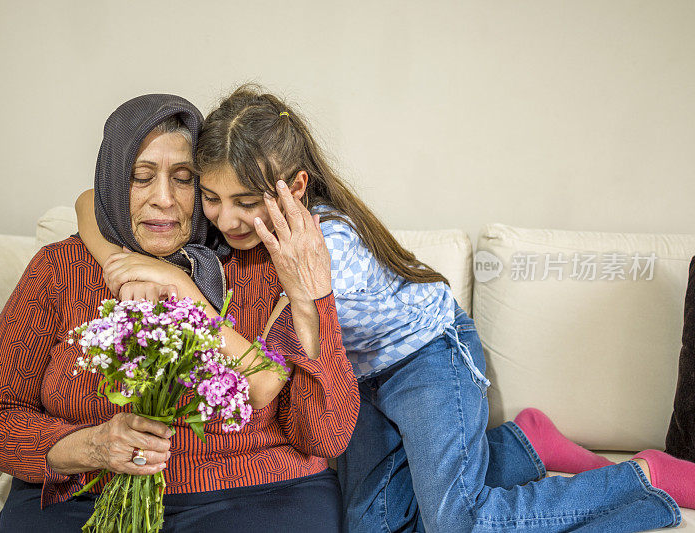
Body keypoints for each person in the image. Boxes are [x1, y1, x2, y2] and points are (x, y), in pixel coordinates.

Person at [81, 85, 695, 532]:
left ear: (295, 187)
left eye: (245, 201)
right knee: (370, 526)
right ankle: (522, 447)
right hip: (362, 384)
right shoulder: (227, 230)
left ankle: (642, 482)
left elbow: (278, 371)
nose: (224, 219)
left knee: (460, 524)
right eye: (211, 199)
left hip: (425, 359)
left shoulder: (330, 260)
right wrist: (127, 261)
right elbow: (88, 200)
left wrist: (192, 289)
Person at [0, 94, 359, 533]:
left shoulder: (258, 258)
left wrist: (312, 298)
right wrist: (93, 446)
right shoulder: (60, 269)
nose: (164, 199)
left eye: (184, 179)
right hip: (86, 494)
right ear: (113, 182)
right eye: (141, 178)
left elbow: (325, 435)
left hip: (259, 493)